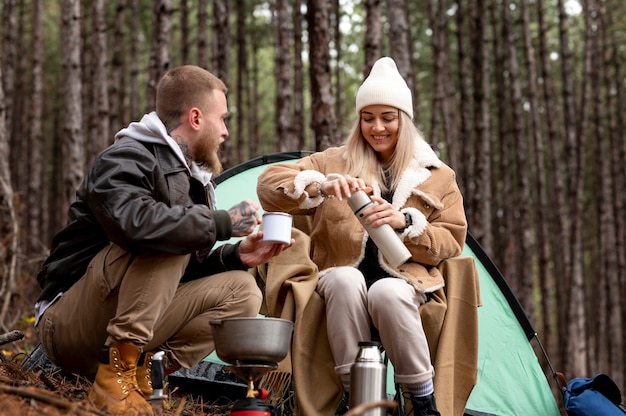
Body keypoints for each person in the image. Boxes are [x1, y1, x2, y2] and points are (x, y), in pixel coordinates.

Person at [34, 65, 293, 416]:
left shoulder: (194, 180)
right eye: (223, 119)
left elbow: (173, 274)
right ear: (196, 118)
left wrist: (236, 255)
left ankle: (143, 373)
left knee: (241, 290)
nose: (226, 131)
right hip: (68, 323)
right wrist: (222, 222)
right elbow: (135, 225)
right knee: (171, 235)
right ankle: (115, 377)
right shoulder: (126, 156)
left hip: (118, 319)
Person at [256, 57, 467, 416]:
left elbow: (451, 241)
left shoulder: (437, 176)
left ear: (404, 119)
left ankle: (423, 404)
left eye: (388, 117)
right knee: (345, 278)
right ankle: (360, 402)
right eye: (368, 118)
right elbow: (268, 186)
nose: (377, 127)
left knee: (387, 291)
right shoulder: (333, 161)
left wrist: (405, 221)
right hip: (339, 279)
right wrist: (320, 184)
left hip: (406, 281)